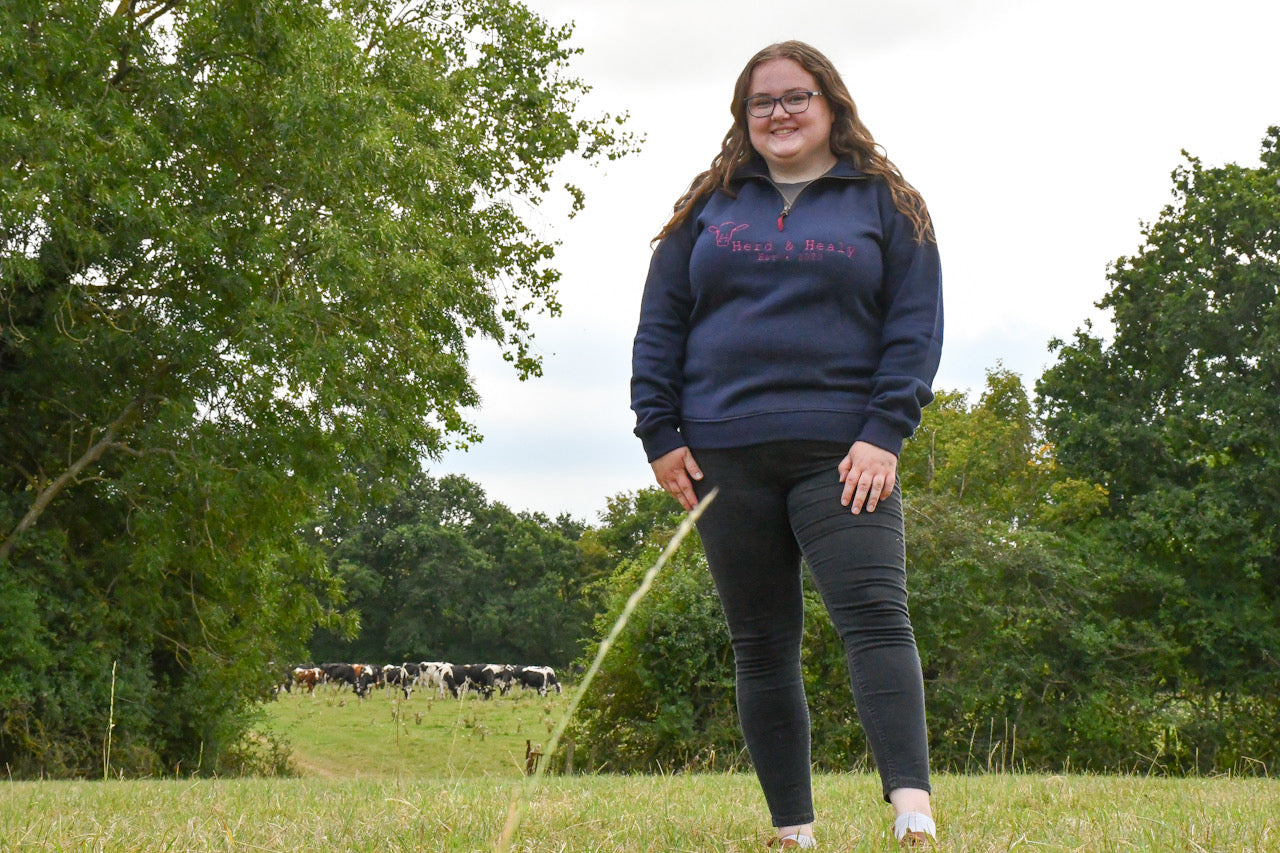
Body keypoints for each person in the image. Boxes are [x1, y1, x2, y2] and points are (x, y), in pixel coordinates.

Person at [629, 41, 943, 849]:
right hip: (721, 456)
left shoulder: (887, 205)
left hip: (843, 455)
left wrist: (884, 433)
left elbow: (914, 329)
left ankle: (913, 810)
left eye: (795, 97)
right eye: (761, 103)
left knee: (875, 618)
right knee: (761, 643)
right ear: (744, 119)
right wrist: (658, 431)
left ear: (832, 103)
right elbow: (660, 324)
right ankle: (792, 828)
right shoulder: (710, 207)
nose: (779, 114)